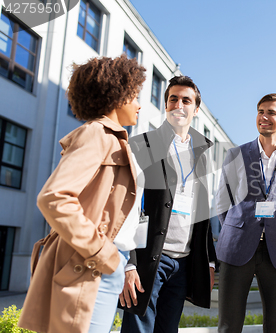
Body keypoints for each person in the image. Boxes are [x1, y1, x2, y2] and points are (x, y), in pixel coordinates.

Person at [17, 55, 146, 333]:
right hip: (90, 265)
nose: (139, 104)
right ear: (117, 94)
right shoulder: (97, 134)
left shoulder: (113, 138)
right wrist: (103, 252)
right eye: (134, 95)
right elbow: (54, 198)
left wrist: (118, 260)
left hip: (104, 264)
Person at [119, 75, 217, 333]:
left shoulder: (203, 155)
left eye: (186, 100)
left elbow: (203, 214)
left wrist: (209, 262)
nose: (179, 105)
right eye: (173, 99)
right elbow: (126, 206)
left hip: (183, 263)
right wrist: (129, 263)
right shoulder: (142, 145)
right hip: (149, 258)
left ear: (196, 110)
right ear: (166, 105)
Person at [216, 93, 276, 333]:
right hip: (236, 247)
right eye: (260, 111)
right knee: (229, 325)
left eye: (271, 112)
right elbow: (222, 200)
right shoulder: (236, 154)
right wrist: (238, 228)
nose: (263, 117)